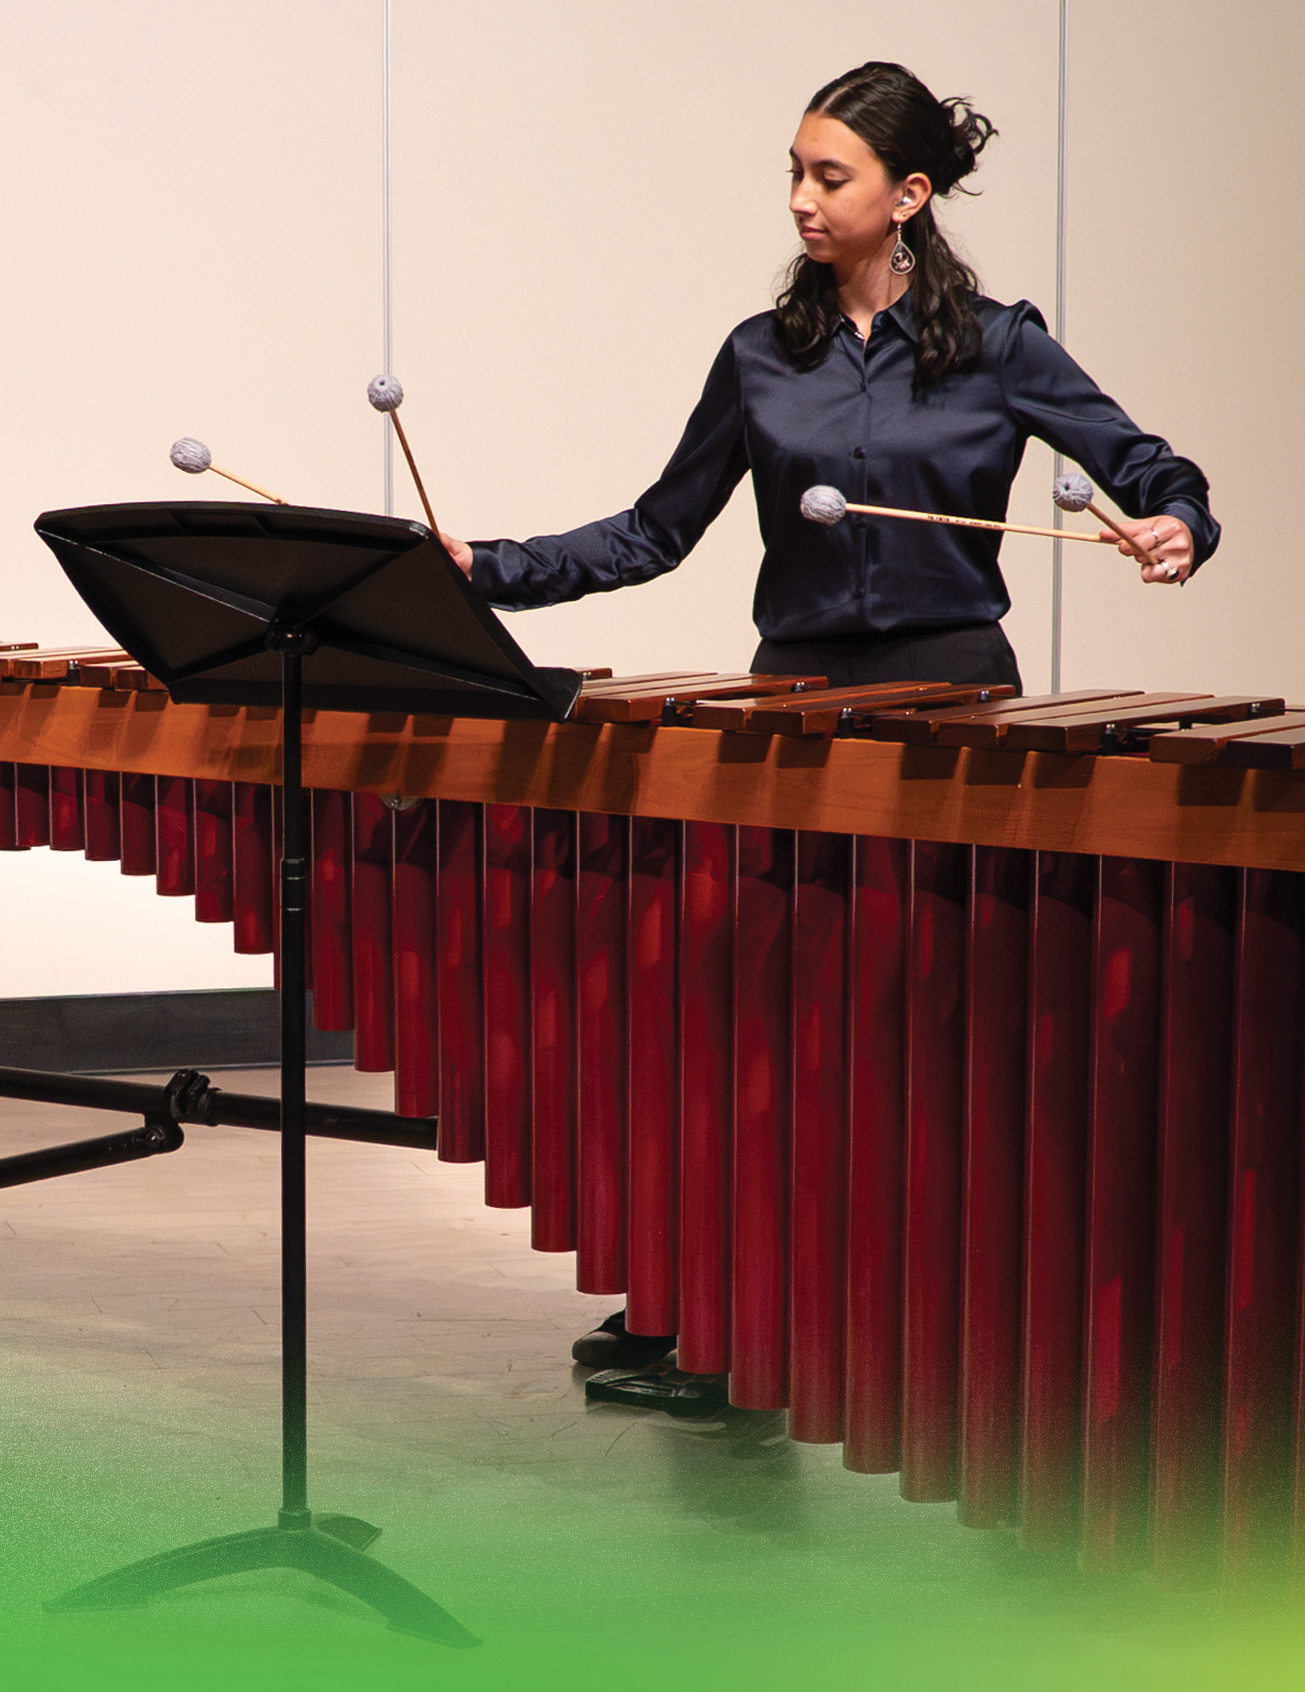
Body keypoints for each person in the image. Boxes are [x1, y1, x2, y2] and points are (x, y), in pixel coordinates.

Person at [441, 61, 1220, 1407]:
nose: (802, 199)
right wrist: (488, 570)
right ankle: (722, 1300)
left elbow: (1147, 465)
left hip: (949, 707)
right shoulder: (762, 354)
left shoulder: (1000, 347)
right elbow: (656, 530)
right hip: (792, 707)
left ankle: (903, 1308)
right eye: (794, 174)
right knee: (762, 1029)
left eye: (830, 176)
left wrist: (1175, 523)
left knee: (918, 1031)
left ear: (908, 196)